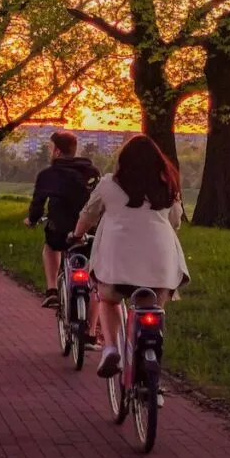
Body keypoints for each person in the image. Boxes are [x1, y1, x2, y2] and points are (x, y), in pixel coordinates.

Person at [68, 134, 189, 378]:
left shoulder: (109, 183)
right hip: (160, 264)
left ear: (123, 160)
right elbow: (175, 220)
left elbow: (88, 214)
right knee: (152, 311)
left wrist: (77, 234)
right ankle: (151, 373)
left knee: (109, 299)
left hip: (117, 263)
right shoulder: (168, 184)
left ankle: (111, 348)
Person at [24, 132, 101, 313]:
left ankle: (52, 290)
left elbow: (37, 205)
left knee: (50, 247)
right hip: (89, 231)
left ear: (57, 151)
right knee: (95, 279)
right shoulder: (92, 171)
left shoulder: (48, 174)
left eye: (51, 148)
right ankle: (91, 332)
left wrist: (32, 220)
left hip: (59, 231)